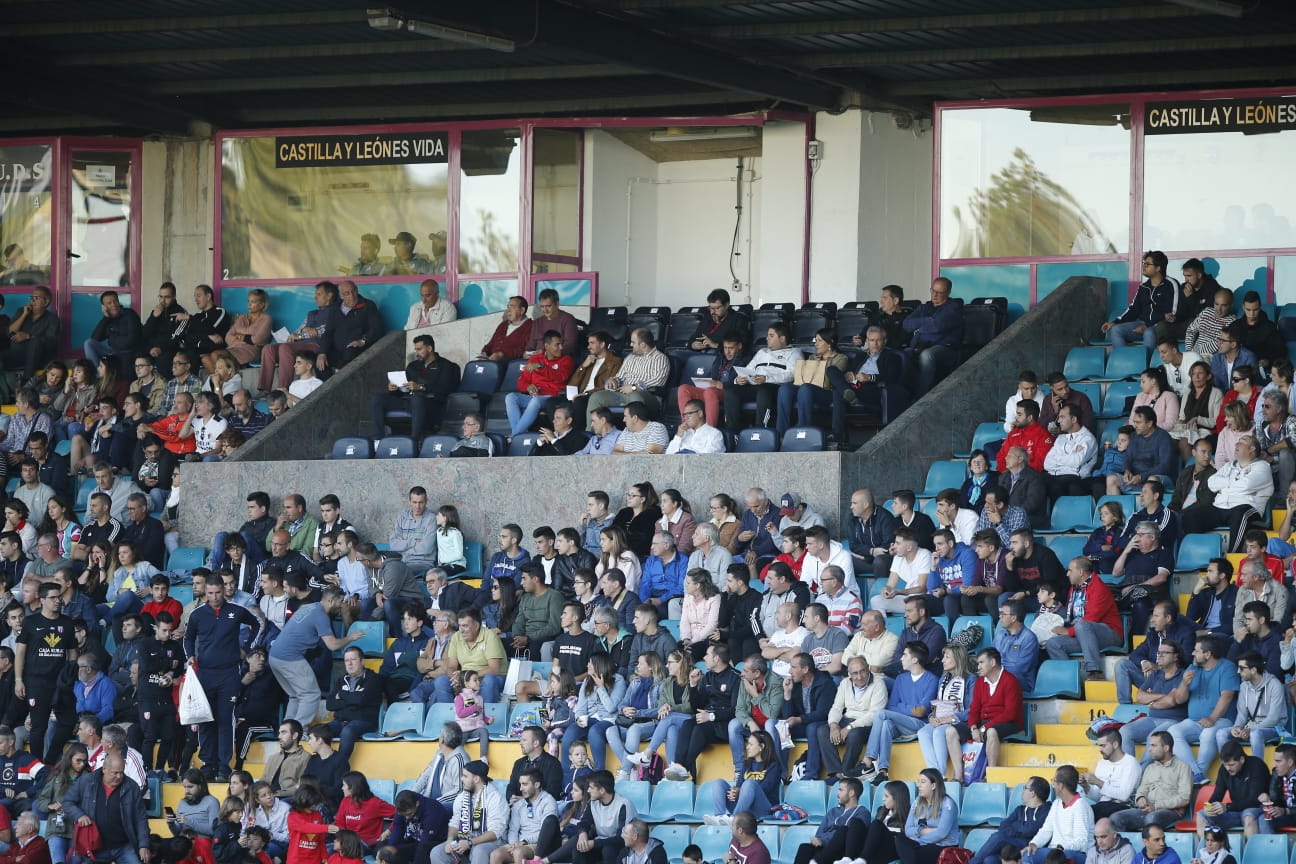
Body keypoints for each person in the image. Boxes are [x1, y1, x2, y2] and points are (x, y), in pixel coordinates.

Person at [853, 642, 937, 786]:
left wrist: (903, 707)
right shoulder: (901, 679)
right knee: (885, 723)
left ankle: (868, 760)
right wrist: (911, 708)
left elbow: (922, 711)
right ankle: (883, 771)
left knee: (881, 714)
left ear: (915, 659)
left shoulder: (932, 679)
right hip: (900, 724)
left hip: (920, 725)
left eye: (905, 655)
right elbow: (892, 706)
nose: (901, 658)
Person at [1181, 434, 1273, 552]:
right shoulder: (1229, 465)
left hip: (1246, 507)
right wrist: (1235, 483)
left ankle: (1232, 555)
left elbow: (1246, 485)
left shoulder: (1262, 467)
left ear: (1252, 449)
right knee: (1190, 516)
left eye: (1242, 441)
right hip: (1220, 507)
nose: (1236, 444)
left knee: (1240, 513)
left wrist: (1224, 486)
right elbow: (1212, 483)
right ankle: (1200, 553)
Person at [61, 753, 150, 864]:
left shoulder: (131, 787)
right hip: (94, 846)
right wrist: (79, 815)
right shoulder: (86, 781)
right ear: (104, 769)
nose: (119, 776)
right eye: (115, 773)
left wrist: (144, 845)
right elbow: (67, 802)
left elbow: (140, 818)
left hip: (123, 846)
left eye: (121, 772)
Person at [371, 334, 460, 441]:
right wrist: (395, 389)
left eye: (419, 349)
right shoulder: (413, 366)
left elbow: (445, 390)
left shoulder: (446, 366)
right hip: (408, 401)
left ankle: (414, 440)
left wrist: (421, 387)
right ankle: (378, 439)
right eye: (416, 350)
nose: (417, 353)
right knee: (378, 398)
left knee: (417, 398)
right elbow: (404, 390)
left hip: (430, 405)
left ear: (429, 348)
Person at [1048, 557, 1123, 681]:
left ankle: (1095, 671)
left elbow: (1092, 618)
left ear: (1081, 572)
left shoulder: (1098, 588)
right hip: (1084, 636)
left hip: (1109, 634)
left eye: (1070, 570)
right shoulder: (1074, 588)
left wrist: (1069, 632)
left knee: (1083, 625)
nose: (1067, 574)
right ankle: (1069, 682)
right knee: (1054, 644)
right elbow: (1071, 614)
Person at [818, 657, 886, 781]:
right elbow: (837, 707)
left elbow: (874, 715)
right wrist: (834, 725)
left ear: (868, 669)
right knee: (823, 731)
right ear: (849, 674)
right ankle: (836, 774)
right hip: (847, 718)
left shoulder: (878, 683)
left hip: (867, 723)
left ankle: (846, 772)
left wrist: (850, 727)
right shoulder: (845, 683)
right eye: (855, 673)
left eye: (863, 671)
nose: (859, 676)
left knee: (854, 734)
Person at [1111, 731, 1192, 831]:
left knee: (1151, 818)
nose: (1149, 749)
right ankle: (1124, 846)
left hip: (1171, 812)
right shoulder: (1150, 768)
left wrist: (1156, 806)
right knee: (1116, 818)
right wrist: (1140, 799)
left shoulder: (1183, 767)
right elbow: (1142, 790)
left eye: (1153, 746)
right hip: (1147, 810)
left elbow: (1184, 798)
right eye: (1150, 745)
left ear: (1166, 748)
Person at [583, 328, 670, 422]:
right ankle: (591, 433)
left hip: (648, 396)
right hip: (623, 394)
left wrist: (634, 387)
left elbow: (657, 381)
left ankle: (633, 433)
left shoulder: (660, 358)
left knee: (635, 395)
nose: (630, 344)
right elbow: (620, 376)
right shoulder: (630, 357)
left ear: (643, 345)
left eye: (633, 342)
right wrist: (614, 380)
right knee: (596, 397)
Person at [1196, 740, 1268, 842]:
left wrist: (1227, 807)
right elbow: (1217, 794)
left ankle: (1250, 855)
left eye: (1232, 765)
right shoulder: (1224, 770)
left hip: (1255, 809)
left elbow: (1254, 800)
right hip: (1234, 812)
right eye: (1225, 764)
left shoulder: (1256, 765)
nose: (1228, 768)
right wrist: (1209, 806)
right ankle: (1206, 854)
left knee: (1248, 816)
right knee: (1202, 815)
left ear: (1242, 759)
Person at [506, 331, 575, 438]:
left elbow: (561, 377)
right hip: (536, 395)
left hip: (553, 396)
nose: (561, 348)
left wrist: (541, 367)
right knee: (511, 397)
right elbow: (521, 382)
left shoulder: (566, 360)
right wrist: (528, 387)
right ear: (547, 346)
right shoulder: (535, 359)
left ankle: (514, 436)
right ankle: (517, 434)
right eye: (557, 345)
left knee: (536, 400)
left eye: (562, 344)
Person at [902, 278, 963, 396]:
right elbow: (906, 324)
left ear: (948, 293)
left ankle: (922, 396)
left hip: (946, 349)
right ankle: (905, 394)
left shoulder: (953, 308)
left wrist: (919, 327)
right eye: (933, 291)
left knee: (926, 356)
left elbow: (937, 326)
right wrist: (928, 320)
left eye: (940, 292)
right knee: (904, 354)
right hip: (920, 346)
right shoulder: (924, 307)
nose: (935, 295)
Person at [1101, 252, 1176, 348]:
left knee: (1148, 332)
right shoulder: (1143, 287)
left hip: (1162, 327)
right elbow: (1133, 309)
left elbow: (1172, 314)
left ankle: (1148, 362)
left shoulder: (1171, 284)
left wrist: (1148, 326)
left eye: (1147, 264)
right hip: (1143, 325)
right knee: (1116, 330)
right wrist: (1114, 322)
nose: (1143, 267)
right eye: (1143, 263)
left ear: (1158, 268)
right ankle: (1124, 361)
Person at [1021, 766, 1094, 864]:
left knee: (1060, 858)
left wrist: (1060, 847)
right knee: (1028, 855)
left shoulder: (1081, 806)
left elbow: (1081, 841)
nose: (1053, 785)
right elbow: (1046, 830)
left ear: (1061, 785)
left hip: (1076, 853)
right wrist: (1034, 843)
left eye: (1054, 781)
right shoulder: (1056, 803)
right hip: (1054, 851)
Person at [968, 777, 1051, 864]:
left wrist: (1015, 826)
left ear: (1033, 793)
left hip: (1030, 846)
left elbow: (1030, 830)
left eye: (1025, 788)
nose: (1022, 790)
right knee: (990, 859)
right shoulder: (1020, 810)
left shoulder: (1046, 810)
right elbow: (1003, 826)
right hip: (1013, 845)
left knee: (998, 837)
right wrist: (1021, 829)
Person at [705, 729, 781, 822]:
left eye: (751, 744)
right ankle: (719, 817)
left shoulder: (774, 766)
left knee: (749, 784)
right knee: (718, 783)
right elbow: (738, 786)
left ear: (762, 746)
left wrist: (741, 791)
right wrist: (734, 792)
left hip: (763, 810)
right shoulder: (747, 764)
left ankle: (735, 819)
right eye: (747, 744)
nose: (747, 747)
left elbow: (765, 789)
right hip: (744, 808)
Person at [894, 769, 959, 864]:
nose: (918, 785)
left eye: (923, 782)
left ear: (933, 785)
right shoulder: (917, 802)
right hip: (922, 843)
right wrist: (920, 831)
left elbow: (941, 833)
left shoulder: (947, 804)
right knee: (900, 838)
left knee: (917, 853)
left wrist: (918, 840)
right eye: (918, 782)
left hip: (943, 846)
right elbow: (908, 829)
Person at [572, 770, 635, 864]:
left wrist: (594, 843)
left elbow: (622, 839)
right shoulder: (593, 802)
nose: (588, 790)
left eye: (591, 787)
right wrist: (582, 834)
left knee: (608, 850)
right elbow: (585, 821)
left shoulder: (623, 804)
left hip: (623, 846)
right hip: (601, 843)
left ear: (602, 790)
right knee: (579, 849)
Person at [318, 281, 383, 371]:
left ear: (357, 290)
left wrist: (362, 341)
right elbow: (328, 332)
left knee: (350, 354)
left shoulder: (368, 306)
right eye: (347, 293)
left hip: (357, 348)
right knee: (320, 362)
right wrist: (322, 352)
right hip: (337, 350)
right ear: (341, 296)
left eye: (353, 292)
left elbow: (376, 328)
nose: (351, 296)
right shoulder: (335, 309)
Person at [862, 781, 910, 864]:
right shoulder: (881, 811)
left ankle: (862, 859)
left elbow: (905, 837)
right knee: (854, 824)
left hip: (891, 850)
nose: (883, 799)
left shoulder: (909, 815)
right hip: (875, 848)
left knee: (877, 824)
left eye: (886, 796)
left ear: (897, 798)